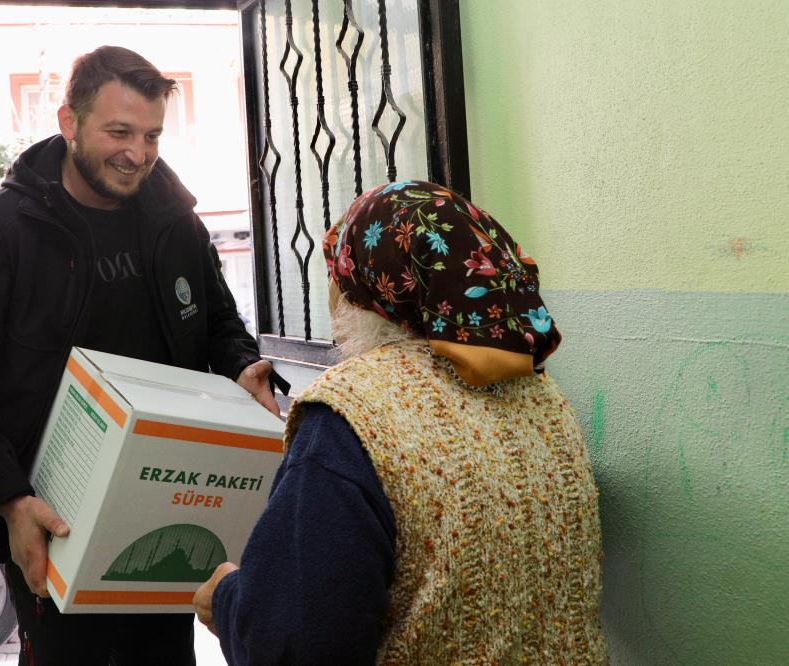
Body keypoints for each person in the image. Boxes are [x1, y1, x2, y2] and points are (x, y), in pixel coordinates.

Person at [0, 45, 285, 666]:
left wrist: (243, 368)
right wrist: (11, 501)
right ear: (69, 122)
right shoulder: (0, 231)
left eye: (151, 135)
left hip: (163, 509)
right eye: (119, 131)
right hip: (51, 520)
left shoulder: (176, 221)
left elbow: (221, 325)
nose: (137, 154)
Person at [193, 180, 607, 664]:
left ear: (364, 287)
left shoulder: (351, 412)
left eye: (336, 274)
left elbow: (297, 642)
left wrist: (226, 600)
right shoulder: (543, 396)